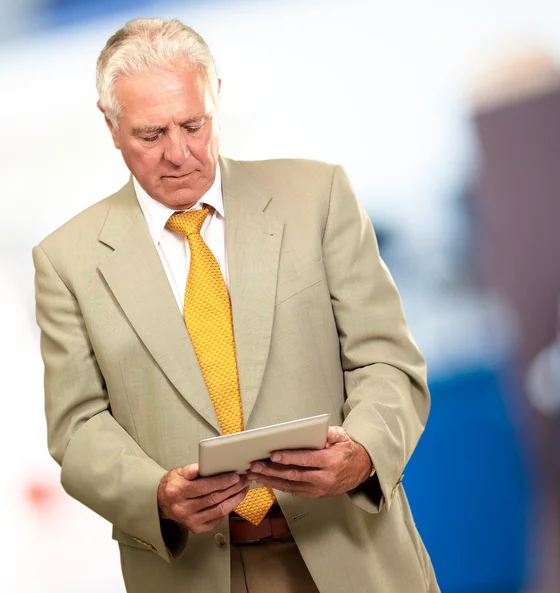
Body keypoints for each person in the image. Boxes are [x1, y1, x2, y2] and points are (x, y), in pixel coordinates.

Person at [33, 17, 439, 593]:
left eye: (194, 125)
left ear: (217, 97)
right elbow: (77, 429)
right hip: (193, 571)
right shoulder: (66, 262)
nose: (179, 154)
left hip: (352, 550)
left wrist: (364, 450)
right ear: (111, 127)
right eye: (152, 135)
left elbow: (388, 361)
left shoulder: (318, 198)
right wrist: (155, 494)